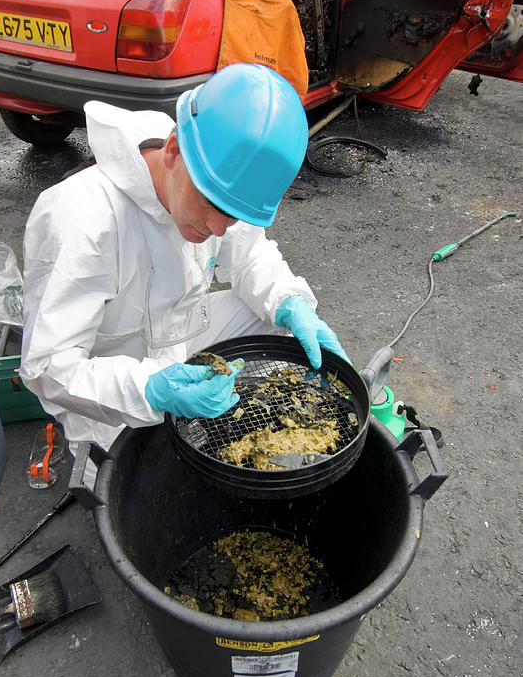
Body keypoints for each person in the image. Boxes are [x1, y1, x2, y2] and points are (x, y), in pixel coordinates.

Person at [20, 63, 348, 461]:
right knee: (146, 484)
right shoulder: (80, 218)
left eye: (234, 213)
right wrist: (151, 389)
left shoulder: (205, 170)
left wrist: (291, 303)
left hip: (183, 337)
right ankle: (171, 415)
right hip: (114, 383)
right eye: (212, 204)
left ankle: (219, 407)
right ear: (173, 150)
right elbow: (48, 368)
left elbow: (249, 255)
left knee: (270, 315)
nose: (218, 227)